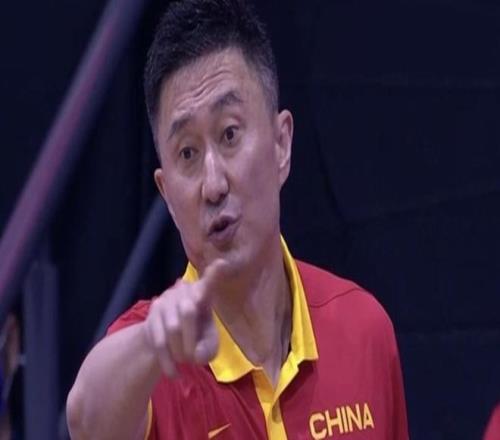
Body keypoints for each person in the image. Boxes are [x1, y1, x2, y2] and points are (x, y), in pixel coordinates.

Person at [66, 0, 409, 438]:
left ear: (281, 144)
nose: (213, 184)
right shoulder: (151, 358)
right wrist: (152, 342)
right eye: (187, 153)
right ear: (167, 194)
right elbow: (86, 418)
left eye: (229, 134)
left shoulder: (364, 329)